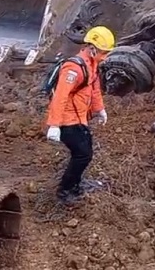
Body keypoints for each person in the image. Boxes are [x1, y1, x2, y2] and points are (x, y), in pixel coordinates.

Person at [45, 26, 115, 204]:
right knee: (82, 154)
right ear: (92, 48)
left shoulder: (92, 64)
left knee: (85, 151)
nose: (105, 57)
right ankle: (65, 191)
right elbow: (60, 96)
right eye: (103, 53)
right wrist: (54, 125)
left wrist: (100, 109)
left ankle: (75, 184)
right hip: (67, 120)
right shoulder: (73, 69)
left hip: (80, 117)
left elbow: (94, 88)